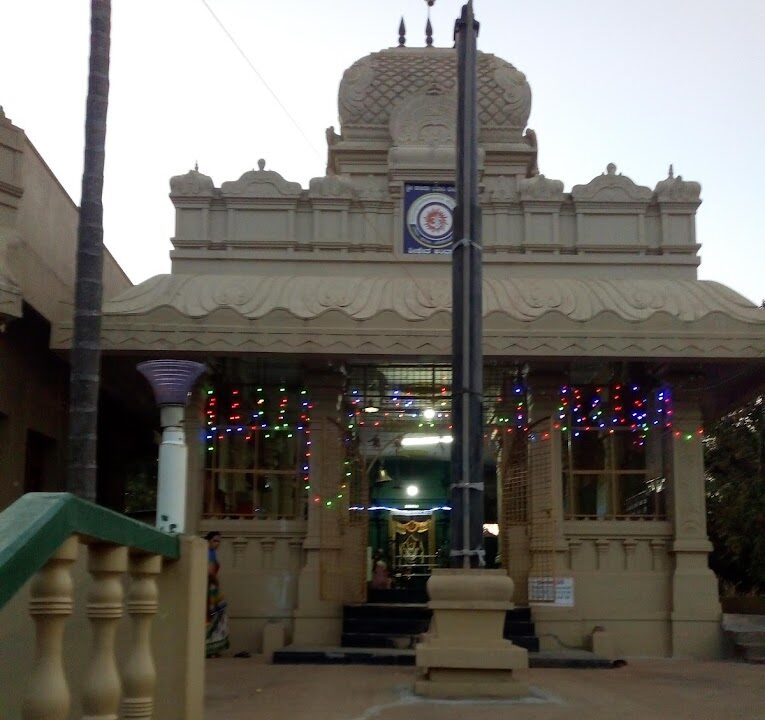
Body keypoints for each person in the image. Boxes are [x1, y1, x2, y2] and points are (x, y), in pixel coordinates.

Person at [205, 531, 230, 657]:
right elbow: (209, 573)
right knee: (211, 615)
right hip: (208, 589)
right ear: (208, 541)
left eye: (219, 541)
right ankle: (208, 648)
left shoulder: (213, 553)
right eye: (215, 540)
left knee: (217, 613)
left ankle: (213, 647)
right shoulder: (207, 553)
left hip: (212, 589)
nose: (217, 543)